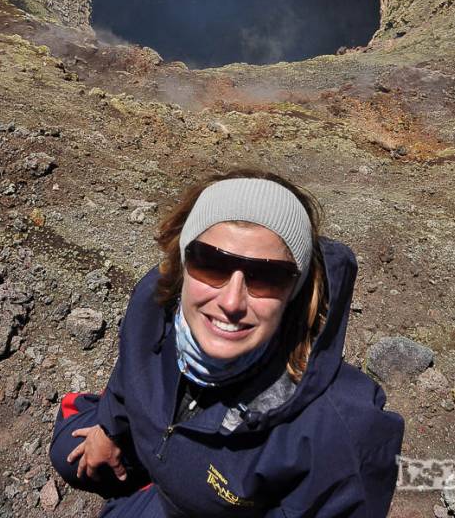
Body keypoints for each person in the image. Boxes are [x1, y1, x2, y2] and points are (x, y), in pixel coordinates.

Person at [50, 168, 404, 517]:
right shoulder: (155, 304)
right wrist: (109, 427)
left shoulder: (338, 432)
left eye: (267, 276)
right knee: (69, 452)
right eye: (211, 263)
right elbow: (132, 366)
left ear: (295, 291)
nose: (232, 302)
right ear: (184, 263)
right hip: (161, 451)